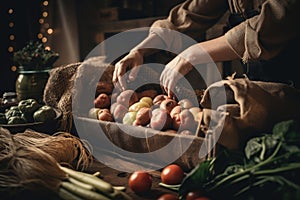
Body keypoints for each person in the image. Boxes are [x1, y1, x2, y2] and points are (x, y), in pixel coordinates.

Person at [112, 0, 300, 98]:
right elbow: (190, 15)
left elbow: (275, 20)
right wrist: (140, 50)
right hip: (265, 86)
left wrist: (192, 54)